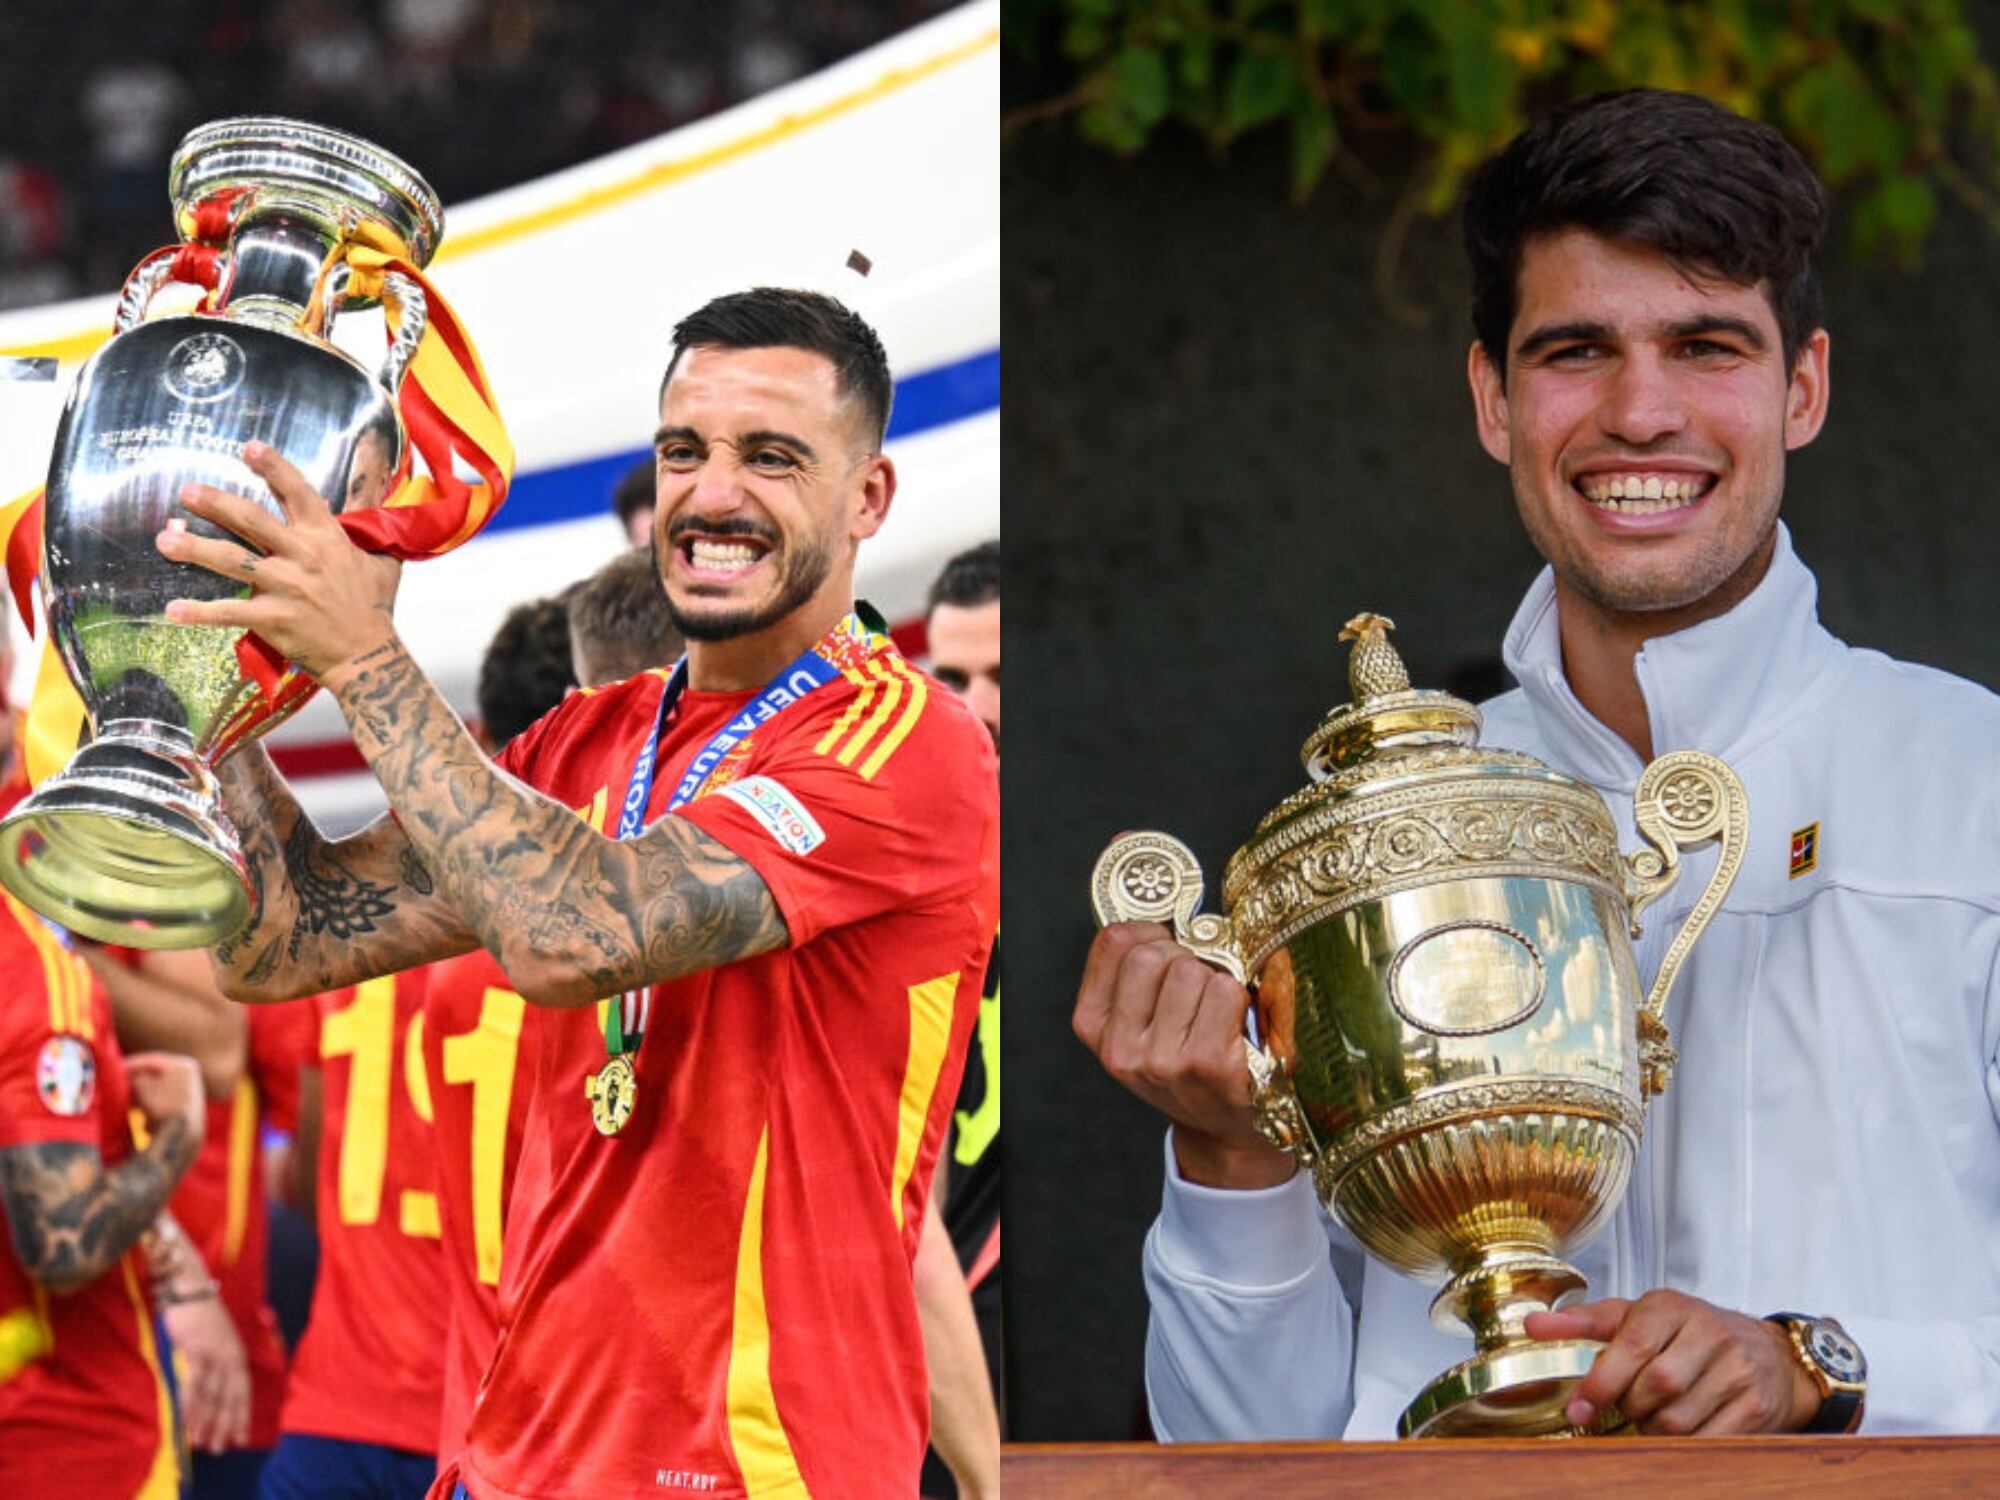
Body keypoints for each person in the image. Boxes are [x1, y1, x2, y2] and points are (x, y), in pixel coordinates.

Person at [1074, 88, 2000, 1440]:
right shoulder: (1369, 848)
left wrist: (1826, 1367)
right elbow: (1240, 1457)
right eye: (1576, 350)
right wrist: (1228, 1160)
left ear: (1802, 387)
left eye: (1705, 346)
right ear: (1492, 399)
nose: (1640, 411)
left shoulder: (1974, 785)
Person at [164, 287, 1000, 1496]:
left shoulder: (909, 743)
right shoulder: (588, 736)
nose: (713, 495)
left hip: (751, 1466)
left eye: (770, 457)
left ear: (867, 496)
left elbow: (571, 933)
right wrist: (194, 669)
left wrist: (363, 656)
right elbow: (280, 944)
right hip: (518, 1461)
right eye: (683, 453)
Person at [916, 540, 1002, 1500]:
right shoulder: (910, 864)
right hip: (939, 1319)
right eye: (951, 677)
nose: (974, 706)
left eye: (998, 677)